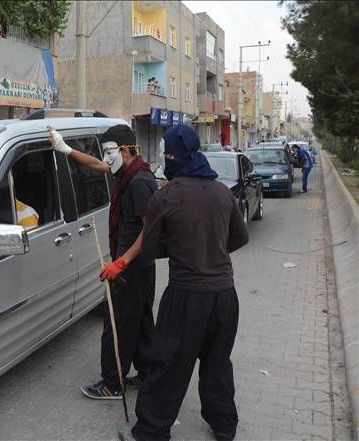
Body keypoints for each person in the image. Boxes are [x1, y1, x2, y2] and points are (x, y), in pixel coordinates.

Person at [101, 125, 248, 441]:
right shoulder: (222, 192)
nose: (164, 159)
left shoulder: (166, 196)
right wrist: (210, 250)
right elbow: (239, 236)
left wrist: (183, 249)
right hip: (225, 296)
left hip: (186, 296)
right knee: (217, 363)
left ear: (174, 156)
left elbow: (151, 249)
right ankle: (225, 426)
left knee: (167, 363)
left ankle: (151, 430)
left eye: (166, 152)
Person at [48, 124, 158, 400]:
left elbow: (150, 230)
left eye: (111, 151)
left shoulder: (140, 183)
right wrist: (65, 149)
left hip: (131, 269)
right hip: (135, 267)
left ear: (126, 150)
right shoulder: (125, 170)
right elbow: (98, 166)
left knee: (117, 325)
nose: (107, 157)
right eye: (105, 151)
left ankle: (112, 383)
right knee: (141, 322)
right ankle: (146, 373)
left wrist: (121, 263)